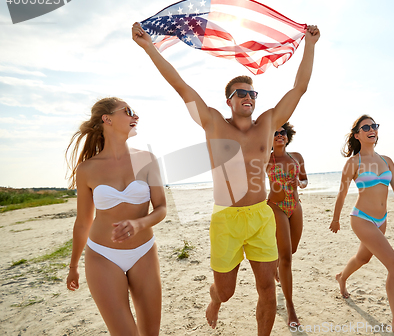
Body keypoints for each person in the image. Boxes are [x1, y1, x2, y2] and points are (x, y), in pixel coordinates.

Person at [132, 22, 320, 335]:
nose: (248, 97)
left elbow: (298, 88)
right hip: (226, 218)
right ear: (229, 100)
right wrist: (148, 46)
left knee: (267, 290)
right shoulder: (214, 123)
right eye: (241, 93)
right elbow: (181, 87)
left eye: (252, 93)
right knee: (226, 291)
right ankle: (215, 300)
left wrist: (310, 45)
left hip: (261, 215)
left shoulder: (268, 122)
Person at [65, 97, 167, 336]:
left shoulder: (147, 159)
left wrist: (139, 223)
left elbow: (161, 207)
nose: (135, 116)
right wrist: (73, 266)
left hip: (143, 251)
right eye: (128, 111)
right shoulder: (87, 169)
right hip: (102, 255)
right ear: (107, 119)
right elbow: (82, 222)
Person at [329, 115, 394, 336]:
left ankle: (342, 277)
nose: (372, 129)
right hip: (361, 218)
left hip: (382, 220)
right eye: (366, 127)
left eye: (374, 125)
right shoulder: (353, 163)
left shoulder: (387, 160)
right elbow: (342, 193)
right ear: (357, 135)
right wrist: (335, 219)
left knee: (363, 258)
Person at [266, 122, 307, 328]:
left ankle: (275, 267)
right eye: (274, 133)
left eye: (282, 132)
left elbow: (305, 179)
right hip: (275, 206)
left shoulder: (297, 157)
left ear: (287, 135)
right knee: (286, 259)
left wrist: (300, 183)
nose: (279, 135)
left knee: (292, 249)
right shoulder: (266, 159)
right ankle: (291, 309)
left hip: (295, 206)